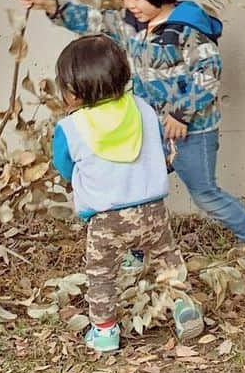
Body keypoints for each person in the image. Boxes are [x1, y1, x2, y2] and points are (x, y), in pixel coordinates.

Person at [21, 0, 245, 248]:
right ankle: (134, 251)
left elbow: (209, 72)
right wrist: (51, 6)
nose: (129, 4)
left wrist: (182, 113)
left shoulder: (187, 29)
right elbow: (94, 21)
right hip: (151, 128)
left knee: (204, 193)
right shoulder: (130, 25)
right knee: (133, 191)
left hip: (191, 131)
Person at [52, 33, 204, 353]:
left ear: (76, 92)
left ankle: (105, 331)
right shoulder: (143, 109)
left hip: (107, 220)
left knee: (101, 274)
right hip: (152, 210)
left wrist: (80, 179)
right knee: (167, 258)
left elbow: (64, 166)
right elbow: (158, 148)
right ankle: (183, 305)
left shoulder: (70, 128)